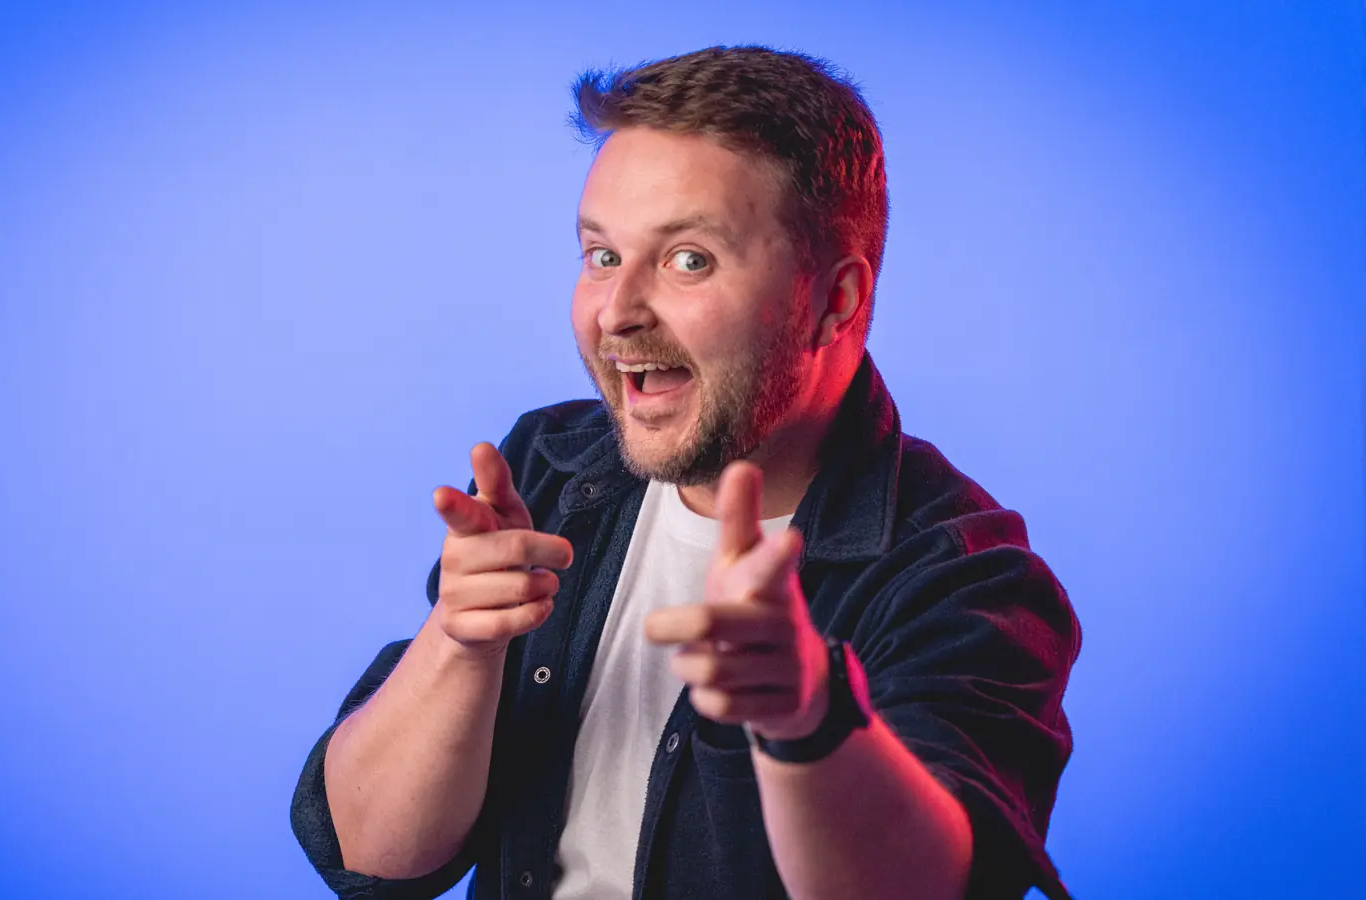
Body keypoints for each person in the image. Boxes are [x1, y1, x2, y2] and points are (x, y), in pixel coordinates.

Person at [290, 45, 1080, 900]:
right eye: (601, 254)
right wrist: (460, 640)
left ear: (836, 300)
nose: (617, 312)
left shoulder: (965, 578)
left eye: (688, 259)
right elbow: (373, 856)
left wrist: (805, 719)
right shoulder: (549, 473)